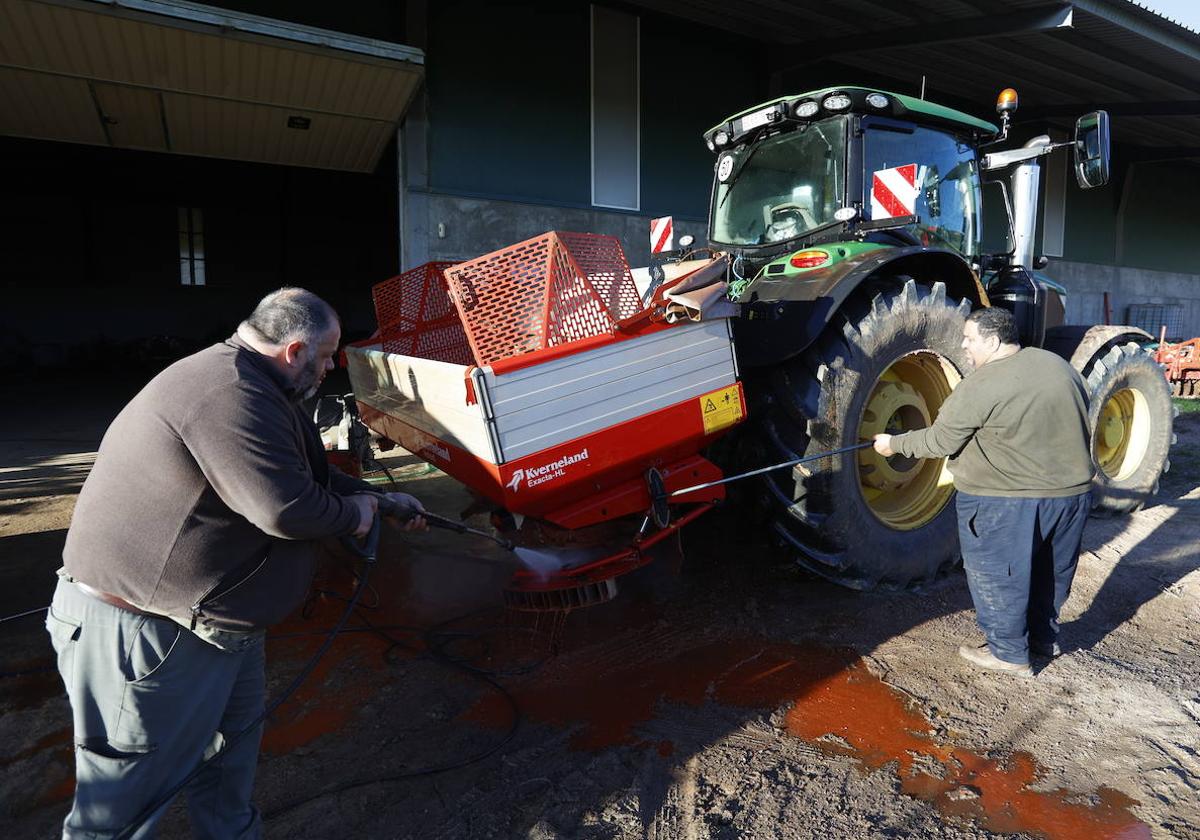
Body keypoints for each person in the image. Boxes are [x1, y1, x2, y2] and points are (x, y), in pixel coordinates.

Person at [45, 288, 426, 838]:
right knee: (120, 808)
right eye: (325, 358)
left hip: (216, 631)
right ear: (295, 350)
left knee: (226, 776)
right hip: (148, 633)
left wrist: (379, 501)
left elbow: (306, 480)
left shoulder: (261, 389)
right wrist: (354, 516)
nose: (328, 370)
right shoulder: (228, 393)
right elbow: (286, 508)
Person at [873, 307, 1093, 678]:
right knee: (1050, 572)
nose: (964, 345)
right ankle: (1041, 640)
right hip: (1071, 496)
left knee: (999, 574)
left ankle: (1009, 654)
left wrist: (894, 443)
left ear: (992, 341)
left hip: (1006, 499)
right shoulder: (1056, 365)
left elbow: (940, 439)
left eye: (970, 338)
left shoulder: (982, 383)